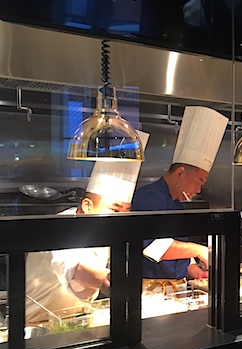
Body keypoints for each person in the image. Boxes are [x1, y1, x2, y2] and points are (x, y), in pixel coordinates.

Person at [25, 131, 149, 324]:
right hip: (38, 326)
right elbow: (73, 266)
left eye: (126, 211)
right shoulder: (62, 226)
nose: (121, 219)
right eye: (114, 209)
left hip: (77, 322)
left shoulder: (102, 231)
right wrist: (107, 279)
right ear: (87, 206)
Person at [131, 106, 228, 281]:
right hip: (150, 287)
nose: (198, 189)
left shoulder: (177, 204)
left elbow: (178, 252)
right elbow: (152, 247)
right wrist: (198, 250)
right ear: (180, 174)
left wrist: (196, 271)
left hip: (178, 288)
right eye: (198, 181)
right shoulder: (147, 198)